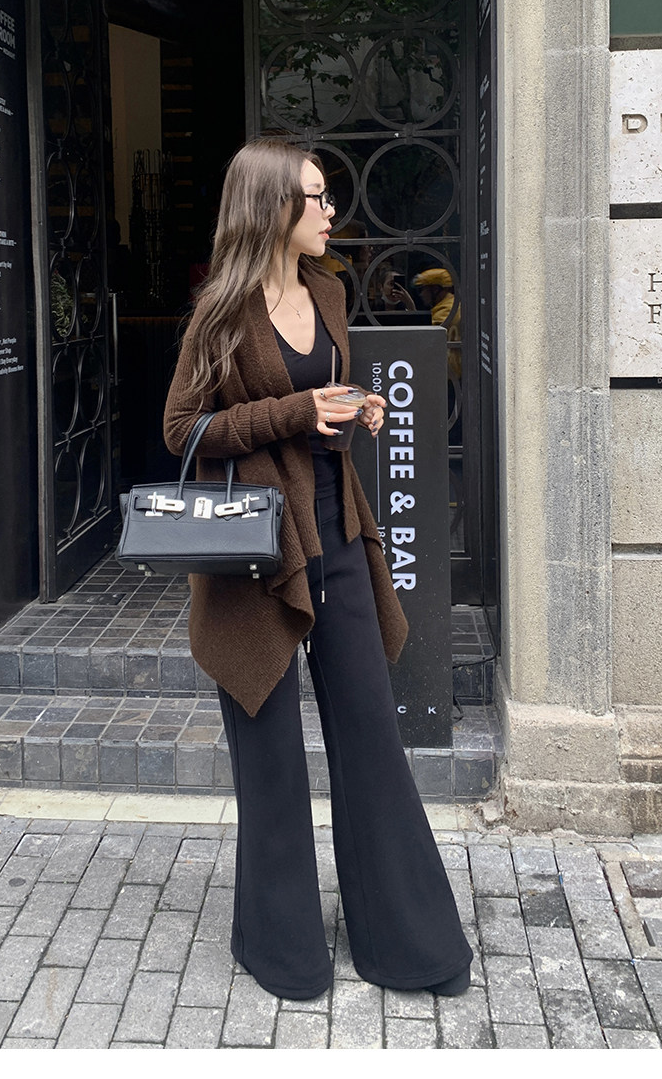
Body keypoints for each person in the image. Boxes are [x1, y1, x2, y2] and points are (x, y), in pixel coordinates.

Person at [163, 137, 473, 1001]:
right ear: (273, 207)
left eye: (329, 195)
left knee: (371, 735)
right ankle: (283, 949)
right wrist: (294, 411)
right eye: (316, 196)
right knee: (271, 759)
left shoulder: (330, 291)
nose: (331, 211)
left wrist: (355, 405)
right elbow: (182, 428)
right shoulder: (220, 313)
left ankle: (409, 943)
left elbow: (323, 395)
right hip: (255, 553)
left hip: (335, 534)